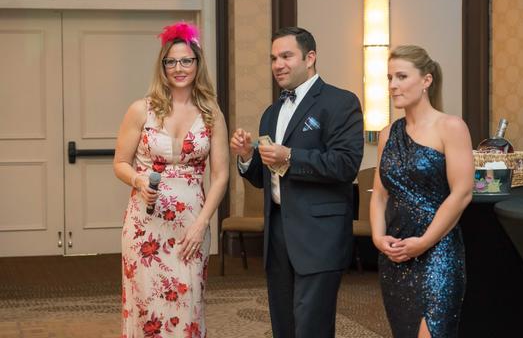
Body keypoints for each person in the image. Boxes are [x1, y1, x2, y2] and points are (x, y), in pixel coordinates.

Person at [229, 27, 364, 338]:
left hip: (319, 234)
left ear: (310, 57)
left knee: (311, 328)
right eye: (274, 58)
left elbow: (345, 165)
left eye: (286, 56)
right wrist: (247, 157)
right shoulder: (271, 113)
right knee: (284, 327)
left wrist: (289, 155)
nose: (278, 64)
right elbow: (267, 178)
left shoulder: (340, 102)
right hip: (278, 233)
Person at [114, 21, 229, 337]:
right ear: (162, 66)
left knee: (188, 303)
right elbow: (121, 163)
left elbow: (220, 176)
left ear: (197, 63)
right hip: (146, 224)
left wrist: (202, 224)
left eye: (186, 61)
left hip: (191, 222)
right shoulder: (141, 110)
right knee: (146, 306)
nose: (179, 68)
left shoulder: (211, 113)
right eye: (171, 61)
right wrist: (139, 182)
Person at [369, 45, 474, 338]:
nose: (393, 85)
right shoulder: (387, 133)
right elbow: (379, 194)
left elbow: (462, 193)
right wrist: (378, 238)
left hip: (438, 252)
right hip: (395, 254)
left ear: (426, 80)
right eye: (389, 78)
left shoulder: (451, 127)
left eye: (401, 76)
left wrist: (424, 242)